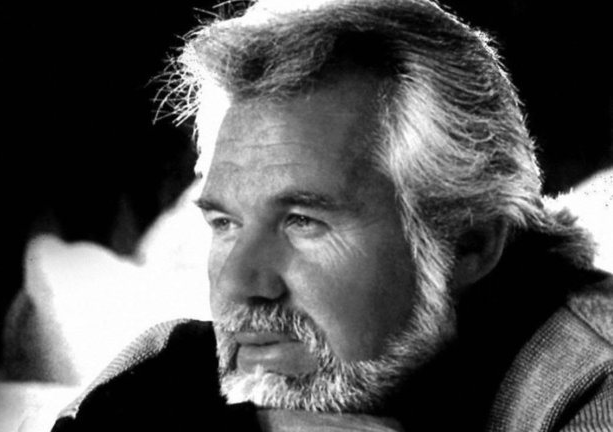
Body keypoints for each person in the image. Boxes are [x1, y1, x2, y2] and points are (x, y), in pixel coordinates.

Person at [51, 0, 613, 430]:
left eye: (303, 221)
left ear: (469, 242)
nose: (239, 284)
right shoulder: (161, 378)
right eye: (225, 224)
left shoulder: (591, 384)